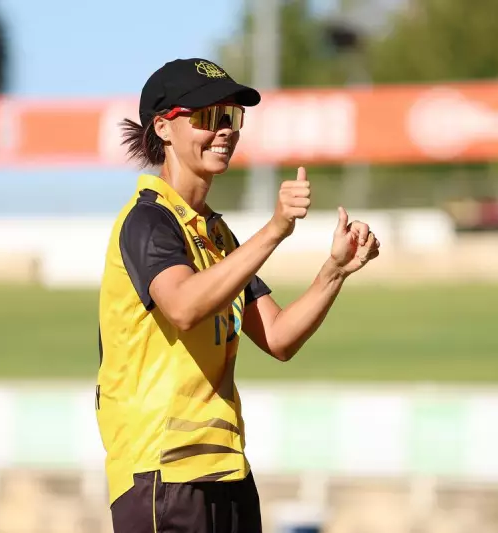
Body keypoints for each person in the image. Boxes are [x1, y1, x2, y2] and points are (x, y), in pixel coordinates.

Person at [95, 57, 380, 533]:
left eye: (232, 118)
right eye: (208, 118)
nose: (225, 130)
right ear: (164, 130)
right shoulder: (149, 219)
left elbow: (279, 337)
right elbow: (184, 306)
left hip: (226, 470)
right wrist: (275, 230)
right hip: (161, 476)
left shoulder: (216, 235)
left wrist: (335, 271)